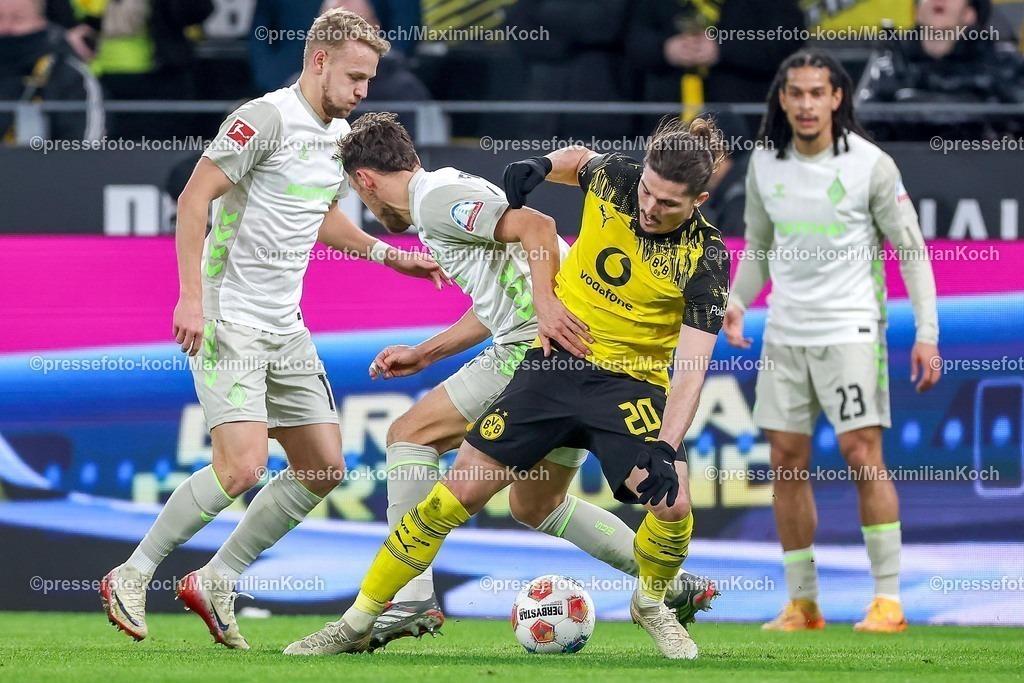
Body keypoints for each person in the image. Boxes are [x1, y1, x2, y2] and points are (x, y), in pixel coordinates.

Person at [285, 117, 731, 660]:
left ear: (700, 199)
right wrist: (544, 165)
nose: (649, 208)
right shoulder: (616, 178)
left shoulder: (706, 257)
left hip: (629, 384)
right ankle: (357, 622)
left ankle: (653, 601)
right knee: (465, 497)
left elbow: (692, 366)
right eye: (647, 192)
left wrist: (666, 444)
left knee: (673, 505)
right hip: (551, 364)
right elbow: (579, 158)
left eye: (667, 204)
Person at [100, 8, 446, 650]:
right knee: (242, 468)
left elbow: (319, 217)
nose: (364, 90)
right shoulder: (262, 117)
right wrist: (191, 300)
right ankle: (133, 571)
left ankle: (219, 579)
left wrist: (394, 257)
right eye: (357, 76)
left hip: (285, 326)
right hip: (230, 318)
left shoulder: (336, 135)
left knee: (322, 467)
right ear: (319, 61)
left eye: (369, 79)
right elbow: (193, 200)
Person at [724, 49, 942, 633]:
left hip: (851, 329)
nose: (805, 105)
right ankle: (803, 602)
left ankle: (888, 601)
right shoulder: (766, 161)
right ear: (783, 99)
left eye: (817, 93)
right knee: (786, 462)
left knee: (862, 453)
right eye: (795, 93)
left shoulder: (872, 164)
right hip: (786, 333)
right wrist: (738, 300)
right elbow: (759, 249)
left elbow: (912, 252)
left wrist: (927, 333)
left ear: (837, 97)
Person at [857, 0, 1024, 141]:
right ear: (917, 12)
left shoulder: (1002, 63)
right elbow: (862, 128)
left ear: (970, 14)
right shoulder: (890, 63)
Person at [0, 0, 103, 143]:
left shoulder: (68, 74)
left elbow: (86, 151)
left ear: (41, 22)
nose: (6, 28)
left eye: (18, 19)